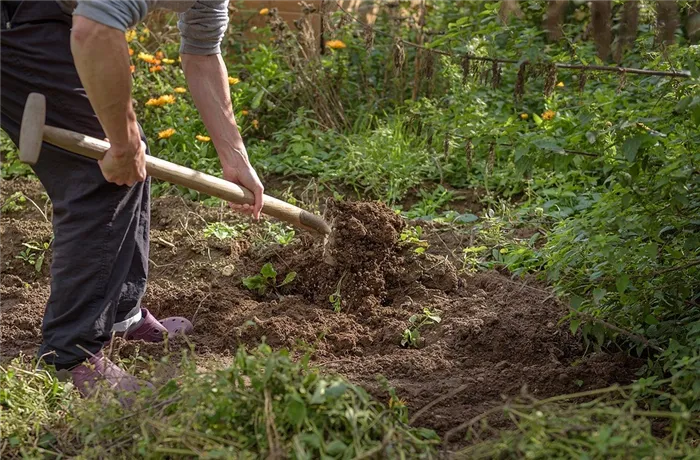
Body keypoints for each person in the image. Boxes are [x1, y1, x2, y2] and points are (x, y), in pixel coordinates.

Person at [0, 0, 264, 396]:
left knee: (129, 160)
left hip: (50, 16)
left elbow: (203, 51)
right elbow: (93, 30)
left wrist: (235, 156)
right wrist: (121, 145)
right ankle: (70, 356)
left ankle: (119, 313)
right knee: (104, 171)